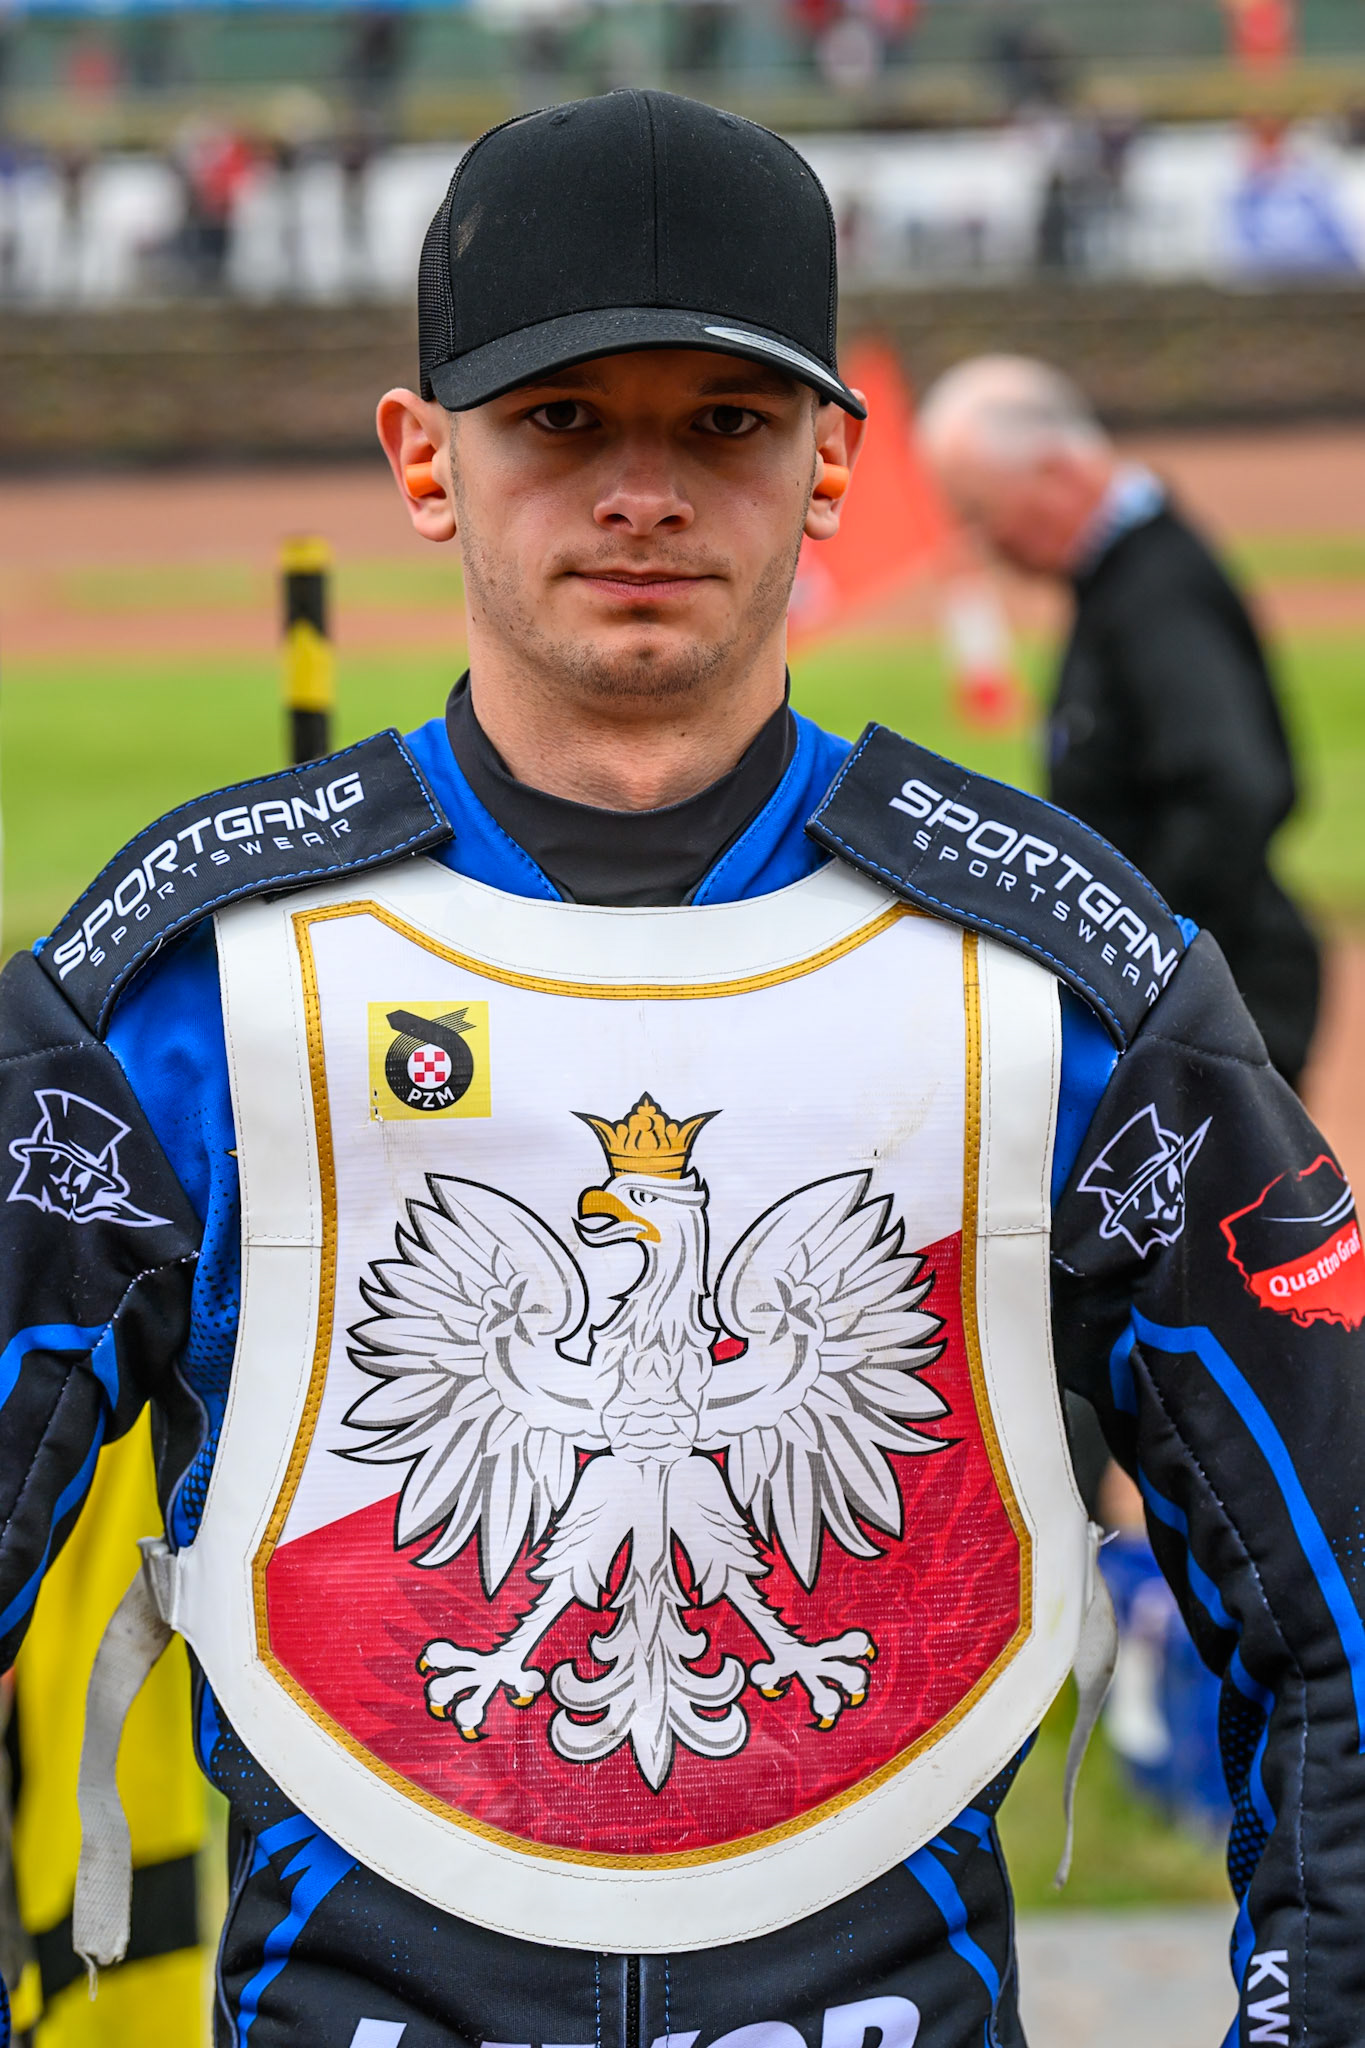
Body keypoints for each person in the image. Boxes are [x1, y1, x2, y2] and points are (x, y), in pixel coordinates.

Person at [1, 91, 1363, 2048]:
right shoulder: (187, 978)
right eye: (558, 420)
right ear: (423, 459)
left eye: (720, 423)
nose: (638, 491)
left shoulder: (1069, 980)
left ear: (829, 464)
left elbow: (1333, 1630)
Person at [919, 354, 1321, 1089]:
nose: (983, 541)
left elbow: (1236, 784)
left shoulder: (1153, 593)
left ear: (1053, 475)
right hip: (1208, 995)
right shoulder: (1121, 580)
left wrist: (1144, 961)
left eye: (980, 510)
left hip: (1222, 1005)